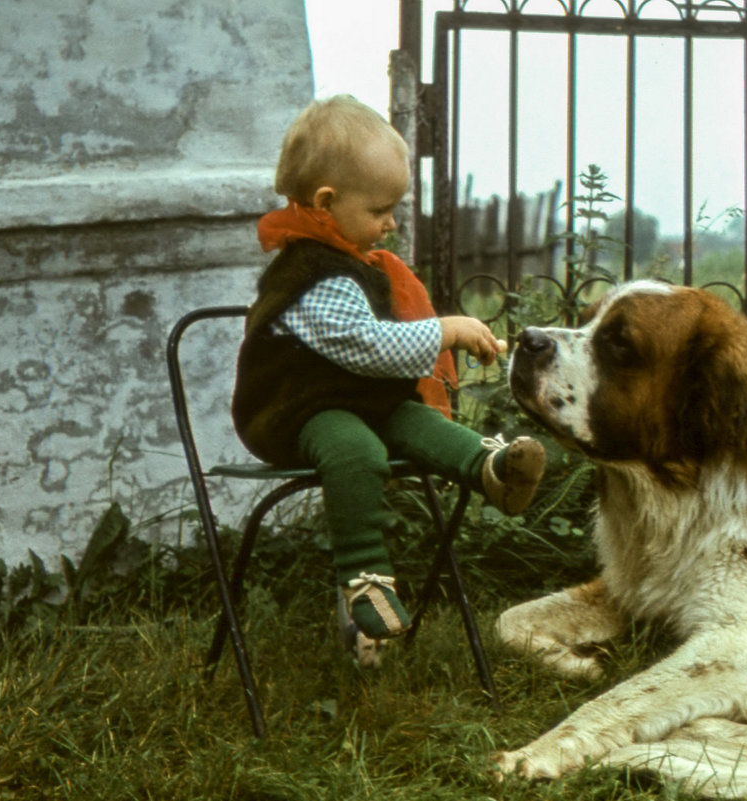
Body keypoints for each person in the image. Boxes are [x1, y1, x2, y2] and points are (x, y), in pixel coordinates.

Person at [232, 95, 545, 641]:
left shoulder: (350, 263)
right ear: (326, 203)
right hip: (295, 412)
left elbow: (372, 357)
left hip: (358, 400)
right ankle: (365, 578)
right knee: (358, 450)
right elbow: (369, 345)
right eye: (379, 211)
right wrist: (447, 329)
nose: (392, 223)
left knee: (419, 422)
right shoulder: (313, 274)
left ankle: (490, 473)